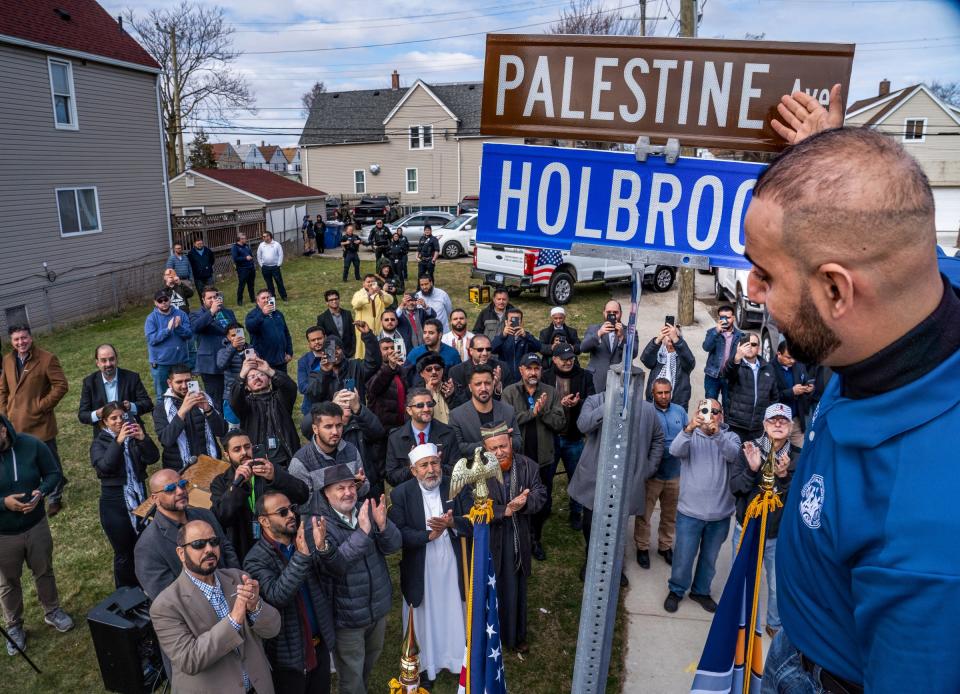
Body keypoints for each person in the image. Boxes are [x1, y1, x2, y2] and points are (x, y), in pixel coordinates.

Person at [738, 114, 960, 690]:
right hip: (810, 628)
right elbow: (896, 232)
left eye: (764, 274)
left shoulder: (925, 544)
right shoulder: (914, 292)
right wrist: (833, 160)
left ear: (837, 290)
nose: (750, 291)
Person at [149, 519, 281, 694]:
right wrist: (233, 620)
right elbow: (189, 660)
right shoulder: (165, 606)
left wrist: (255, 607)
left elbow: (273, 629)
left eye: (214, 542)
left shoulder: (237, 578)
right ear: (181, 553)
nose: (209, 549)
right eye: (198, 544)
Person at [306, 464, 401, 694]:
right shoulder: (318, 525)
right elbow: (334, 565)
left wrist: (383, 525)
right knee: (351, 676)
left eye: (351, 486)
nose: (348, 492)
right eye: (340, 488)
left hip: (376, 610)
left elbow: (394, 545)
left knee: (368, 665)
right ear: (326, 493)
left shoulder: (365, 509)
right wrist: (363, 533)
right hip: (347, 618)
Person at [568, 369, 664, 587]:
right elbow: (583, 425)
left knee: (618, 529)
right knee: (591, 524)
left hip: (625, 482)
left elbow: (658, 439)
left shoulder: (647, 410)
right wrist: (611, 403)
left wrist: (647, 469)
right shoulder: (595, 401)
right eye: (620, 381)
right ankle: (590, 560)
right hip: (596, 478)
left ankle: (615, 567)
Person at [388, 443, 471, 685]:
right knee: (423, 618)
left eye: (434, 463)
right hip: (421, 569)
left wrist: (452, 523)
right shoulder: (401, 494)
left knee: (453, 611)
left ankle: (457, 660)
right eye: (424, 465)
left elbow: (473, 523)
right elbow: (399, 535)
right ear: (413, 470)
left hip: (453, 566)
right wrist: (428, 536)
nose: (431, 470)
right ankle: (425, 665)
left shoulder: (455, 486)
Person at [243, 492, 336, 694]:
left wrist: (324, 548)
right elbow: (277, 596)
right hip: (288, 655)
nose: (291, 514)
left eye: (292, 508)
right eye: (282, 512)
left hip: (318, 644)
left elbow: (332, 574)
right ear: (264, 521)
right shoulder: (255, 559)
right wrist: (302, 557)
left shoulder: (305, 540)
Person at [0, 415, 72, 656]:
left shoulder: (31, 445)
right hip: (3, 534)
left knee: (44, 570)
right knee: (8, 583)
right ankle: (15, 626)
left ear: (3, 430)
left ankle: (52, 611)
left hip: (36, 524)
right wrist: (3, 503)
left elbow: (53, 474)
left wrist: (41, 493)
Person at [663, 398, 740, 614]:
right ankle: (676, 590)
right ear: (697, 412)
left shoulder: (730, 437)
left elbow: (733, 455)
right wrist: (689, 429)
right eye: (705, 410)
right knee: (683, 556)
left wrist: (717, 435)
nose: (710, 415)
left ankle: (700, 591)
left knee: (709, 557)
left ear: (721, 415)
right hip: (690, 512)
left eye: (715, 411)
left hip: (720, 514)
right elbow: (675, 451)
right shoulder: (690, 436)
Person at [729, 403, 797, 639]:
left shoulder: (798, 457)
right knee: (744, 582)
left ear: (791, 426)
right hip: (747, 530)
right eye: (773, 420)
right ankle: (744, 623)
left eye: (783, 420)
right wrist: (752, 470)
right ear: (764, 424)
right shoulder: (749, 448)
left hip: (777, 536)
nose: (778, 424)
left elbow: (800, 502)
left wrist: (784, 477)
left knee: (778, 587)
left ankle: (774, 624)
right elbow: (735, 488)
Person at [478, 422, 546, 653]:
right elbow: (470, 506)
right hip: (490, 540)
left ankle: (516, 636)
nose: (499, 452)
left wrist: (525, 502)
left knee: (516, 589)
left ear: (510, 443)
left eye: (503, 446)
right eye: (493, 449)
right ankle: (487, 637)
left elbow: (540, 494)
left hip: (518, 539)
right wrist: (502, 511)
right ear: (485, 450)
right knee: (489, 589)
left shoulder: (528, 466)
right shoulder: (477, 472)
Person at [135, 469, 240, 601]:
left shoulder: (205, 515)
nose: (180, 491)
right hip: (198, 614)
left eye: (182, 484)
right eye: (170, 488)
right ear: (155, 498)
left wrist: (237, 586)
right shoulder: (147, 546)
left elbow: (227, 550)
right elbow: (165, 597)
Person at [0, 325, 69, 515]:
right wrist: (4, 413)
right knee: (24, 459)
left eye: (24, 338)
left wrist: (40, 406)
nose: (21, 342)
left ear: (31, 338)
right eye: (16, 339)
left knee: (50, 460)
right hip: (15, 422)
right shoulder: (7, 360)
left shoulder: (47, 359)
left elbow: (61, 386)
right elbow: (3, 389)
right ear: (11, 342)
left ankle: (55, 497)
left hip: (40, 423)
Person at [502, 353, 565, 561]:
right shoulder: (509, 393)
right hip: (517, 460)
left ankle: (535, 539)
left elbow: (559, 423)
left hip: (543, 460)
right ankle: (517, 539)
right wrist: (532, 413)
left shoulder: (550, 392)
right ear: (521, 370)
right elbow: (507, 423)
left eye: (537, 368)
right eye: (529, 368)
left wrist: (543, 412)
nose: (533, 372)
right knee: (516, 499)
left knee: (541, 503)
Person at [90, 402, 159, 588]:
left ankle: (146, 585)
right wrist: (118, 442)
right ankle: (126, 592)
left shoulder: (135, 436)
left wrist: (143, 439)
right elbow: (105, 467)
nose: (119, 421)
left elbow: (152, 458)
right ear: (105, 422)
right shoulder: (99, 442)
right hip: (115, 504)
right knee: (124, 553)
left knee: (145, 546)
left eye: (122, 416)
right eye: (114, 418)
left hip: (140, 497)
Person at [210, 430, 309, 559]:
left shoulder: (268, 469)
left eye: (247, 447)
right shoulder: (220, 482)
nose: (244, 452)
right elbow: (221, 517)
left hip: (278, 544)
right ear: (227, 455)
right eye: (237, 449)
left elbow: (303, 494)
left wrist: (276, 477)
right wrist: (236, 486)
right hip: (243, 547)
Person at [540, 343, 595, 530]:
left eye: (571, 358)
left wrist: (578, 403)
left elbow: (592, 401)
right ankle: (545, 508)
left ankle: (575, 512)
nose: (568, 362)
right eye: (563, 359)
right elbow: (540, 407)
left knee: (577, 478)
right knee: (546, 477)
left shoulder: (585, 376)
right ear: (554, 359)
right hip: (551, 437)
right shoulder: (545, 377)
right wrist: (559, 405)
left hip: (574, 437)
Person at [634, 378, 687, 570]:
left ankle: (665, 546)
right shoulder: (645, 412)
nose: (664, 396)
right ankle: (642, 547)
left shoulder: (680, 411)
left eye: (667, 392)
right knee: (644, 515)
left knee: (670, 514)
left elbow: (687, 435)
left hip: (674, 474)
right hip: (652, 475)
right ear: (652, 394)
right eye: (660, 393)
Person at [289, 403, 369, 505]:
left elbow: (365, 489)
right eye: (328, 427)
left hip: (352, 514)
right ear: (315, 429)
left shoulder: (351, 450)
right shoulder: (300, 462)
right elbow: (302, 505)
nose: (335, 432)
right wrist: (336, 494)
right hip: (320, 519)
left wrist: (358, 485)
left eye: (339, 425)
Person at [152, 364, 227, 470]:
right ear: (170, 383)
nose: (184, 386)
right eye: (179, 382)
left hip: (211, 462)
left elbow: (222, 431)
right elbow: (166, 440)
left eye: (188, 381)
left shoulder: (205, 399)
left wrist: (208, 410)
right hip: (179, 467)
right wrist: (182, 412)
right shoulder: (161, 408)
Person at [230, 356, 301, 469]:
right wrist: (242, 375)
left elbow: (290, 387)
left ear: (269, 380)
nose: (257, 378)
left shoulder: (281, 399)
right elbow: (234, 400)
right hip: (259, 462)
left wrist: (269, 370)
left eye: (261, 374)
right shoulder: (245, 405)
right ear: (247, 386)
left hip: (287, 459)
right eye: (252, 377)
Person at [385, 388, 458, 488]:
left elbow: (457, 471)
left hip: (441, 491)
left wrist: (437, 465)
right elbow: (391, 477)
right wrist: (413, 468)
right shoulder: (396, 438)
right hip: (411, 495)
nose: (426, 409)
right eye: (420, 405)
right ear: (409, 410)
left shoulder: (448, 433)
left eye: (429, 404)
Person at [78, 344, 153, 439]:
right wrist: (97, 414)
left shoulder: (132, 378)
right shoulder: (89, 382)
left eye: (111, 359)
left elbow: (148, 404)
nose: (108, 364)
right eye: (104, 360)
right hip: (104, 435)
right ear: (97, 363)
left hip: (132, 431)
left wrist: (131, 406)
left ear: (117, 359)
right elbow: (82, 415)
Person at [449, 364, 521, 458]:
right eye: (478, 384)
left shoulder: (508, 410)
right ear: (470, 387)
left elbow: (518, 442)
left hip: (505, 469)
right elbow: (457, 448)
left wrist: (504, 439)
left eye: (487, 383)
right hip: (474, 471)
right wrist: (489, 443)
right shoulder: (456, 415)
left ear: (493, 384)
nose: (483, 388)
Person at [721, 334, 779, 443]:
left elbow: (774, 397)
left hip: (758, 427)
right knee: (735, 458)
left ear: (759, 348)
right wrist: (736, 357)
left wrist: (768, 418)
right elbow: (727, 374)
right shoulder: (736, 364)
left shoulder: (768, 368)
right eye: (746, 344)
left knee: (755, 458)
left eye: (753, 344)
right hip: (736, 425)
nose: (750, 347)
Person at [303, 329, 380, 407]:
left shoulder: (356, 366)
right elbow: (313, 397)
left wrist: (368, 336)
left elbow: (373, 363)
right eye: (331, 350)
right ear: (324, 353)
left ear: (343, 350)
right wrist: (324, 372)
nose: (335, 352)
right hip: (331, 417)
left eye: (337, 348)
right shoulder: (316, 374)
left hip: (355, 416)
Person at [190, 286, 237, 407]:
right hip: (211, 365)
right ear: (203, 300)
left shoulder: (228, 313)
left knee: (234, 395)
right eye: (209, 298)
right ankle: (219, 424)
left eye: (215, 297)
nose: (213, 300)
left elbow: (234, 331)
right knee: (216, 398)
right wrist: (211, 312)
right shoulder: (196, 315)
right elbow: (196, 327)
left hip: (230, 360)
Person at [580, 300, 638, 392]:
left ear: (621, 314)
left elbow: (633, 353)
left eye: (615, 312)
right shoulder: (594, 329)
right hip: (596, 378)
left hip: (619, 379)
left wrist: (622, 338)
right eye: (608, 312)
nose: (612, 315)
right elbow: (583, 348)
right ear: (603, 313)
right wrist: (599, 334)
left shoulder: (629, 331)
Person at [145, 288, 193, 398]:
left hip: (180, 361)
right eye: (160, 301)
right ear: (155, 303)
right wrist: (167, 329)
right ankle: (164, 415)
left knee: (186, 392)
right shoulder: (151, 319)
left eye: (165, 299)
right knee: (162, 395)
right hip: (161, 364)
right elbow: (152, 339)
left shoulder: (181, 314)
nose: (163, 303)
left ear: (170, 300)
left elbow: (189, 335)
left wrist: (178, 327)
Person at [640, 322, 696, 411]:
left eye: (673, 334)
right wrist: (657, 340)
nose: (670, 336)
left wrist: (675, 339)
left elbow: (690, 363)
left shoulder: (683, 355)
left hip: (677, 403)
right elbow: (645, 360)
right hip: (655, 402)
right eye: (667, 334)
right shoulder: (658, 352)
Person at [447, 335, 508, 409]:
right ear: (471, 351)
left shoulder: (502, 367)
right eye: (480, 350)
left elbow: (509, 399)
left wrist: (498, 387)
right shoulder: (456, 371)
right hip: (468, 415)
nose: (485, 353)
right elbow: (458, 402)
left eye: (488, 349)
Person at [772, 342, 814, 448]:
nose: (792, 361)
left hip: (796, 421)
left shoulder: (799, 366)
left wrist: (809, 387)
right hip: (778, 421)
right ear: (778, 354)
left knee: (799, 455)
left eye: (794, 357)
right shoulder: (769, 369)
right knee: (778, 455)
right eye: (788, 357)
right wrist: (792, 392)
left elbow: (807, 379)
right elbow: (770, 396)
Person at [701, 305, 743, 407]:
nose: (725, 320)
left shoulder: (740, 336)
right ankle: (708, 423)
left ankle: (726, 423)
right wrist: (716, 332)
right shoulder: (712, 332)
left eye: (728, 317)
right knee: (709, 406)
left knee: (729, 406)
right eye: (722, 318)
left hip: (730, 376)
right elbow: (706, 347)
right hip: (712, 375)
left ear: (733, 317)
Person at [365, 337, 407, 435]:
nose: (390, 351)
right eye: (386, 349)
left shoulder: (401, 370)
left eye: (392, 347)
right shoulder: (372, 369)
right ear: (378, 352)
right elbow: (374, 389)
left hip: (401, 426)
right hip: (383, 429)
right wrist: (390, 367)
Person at [245, 289, 293, 373]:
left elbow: (286, 334)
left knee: (282, 385)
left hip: (280, 360)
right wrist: (262, 314)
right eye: (263, 298)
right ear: (257, 301)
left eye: (268, 297)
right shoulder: (252, 315)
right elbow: (250, 327)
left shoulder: (278, 314)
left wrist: (289, 352)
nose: (266, 300)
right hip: (263, 362)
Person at [492, 308, 541, 384]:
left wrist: (526, 336)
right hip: (506, 378)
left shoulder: (527, 336)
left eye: (517, 320)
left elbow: (538, 347)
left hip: (523, 379)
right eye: (511, 320)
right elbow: (491, 349)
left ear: (521, 322)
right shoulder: (502, 337)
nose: (514, 322)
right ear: (506, 322)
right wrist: (503, 336)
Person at [350, 275, 394, 361]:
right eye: (368, 282)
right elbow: (355, 304)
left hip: (379, 328)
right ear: (363, 284)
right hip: (364, 329)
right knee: (364, 352)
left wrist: (381, 293)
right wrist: (368, 294)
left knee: (380, 351)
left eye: (372, 282)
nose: (370, 284)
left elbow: (390, 300)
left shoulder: (380, 293)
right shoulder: (359, 294)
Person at [216, 322, 250, 428]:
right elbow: (221, 365)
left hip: (249, 394)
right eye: (233, 335)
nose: (237, 338)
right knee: (233, 427)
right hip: (231, 395)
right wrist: (233, 347)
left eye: (239, 334)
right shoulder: (223, 351)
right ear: (227, 337)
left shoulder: (250, 349)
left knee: (250, 425)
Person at [413, 353, 454, 423]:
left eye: (437, 368)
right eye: (429, 369)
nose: (434, 372)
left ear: (442, 371)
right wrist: (426, 396)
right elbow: (414, 420)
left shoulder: (452, 388)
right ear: (421, 374)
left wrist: (451, 396)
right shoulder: (415, 394)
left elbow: (463, 414)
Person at [317, 289, 356, 359]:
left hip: (348, 352)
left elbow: (353, 333)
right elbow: (321, 337)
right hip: (332, 352)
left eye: (336, 299)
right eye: (331, 300)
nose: (334, 301)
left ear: (339, 299)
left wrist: (353, 350)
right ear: (327, 302)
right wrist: (329, 354)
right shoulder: (322, 318)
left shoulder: (347, 314)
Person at [297, 326, 327, 416]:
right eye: (313, 340)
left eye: (319, 338)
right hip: (311, 408)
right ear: (309, 343)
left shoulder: (334, 357)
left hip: (332, 405)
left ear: (325, 338)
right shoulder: (303, 361)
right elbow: (302, 387)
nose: (317, 342)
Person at [257, 231, 287, 301]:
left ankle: (284, 296)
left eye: (265, 236)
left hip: (275, 267)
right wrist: (262, 265)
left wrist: (278, 264)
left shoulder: (276, 244)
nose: (264, 238)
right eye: (263, 237)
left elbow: (280, 255)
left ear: (269, 236)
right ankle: (272, 297)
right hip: (265, 268)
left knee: (279, 282)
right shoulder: (261, 245)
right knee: (269, 283)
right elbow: (259, 256)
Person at [231, 233, 257, 306]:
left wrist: (252, 262)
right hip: (242, 269)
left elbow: (250, 255)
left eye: (245, 238)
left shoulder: (246, 246)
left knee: (251, 285)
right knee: (242, 285)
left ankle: (252, 299)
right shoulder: (235, 247)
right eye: (244, 238)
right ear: (240, 239)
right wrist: (245, 258)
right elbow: (235, 258)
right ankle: (239, 301)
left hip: (251, 268)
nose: (246, 239)